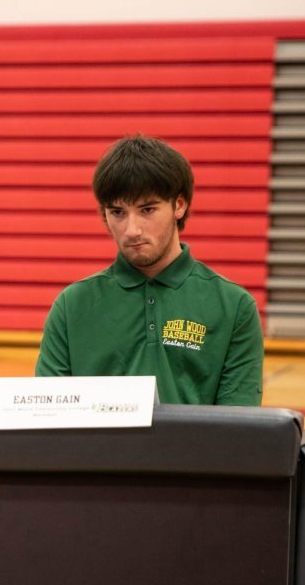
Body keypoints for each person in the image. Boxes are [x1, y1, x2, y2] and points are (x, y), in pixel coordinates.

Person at [35, 134, 263, 406]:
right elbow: (48, 425)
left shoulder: (234, 307)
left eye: (147, 209)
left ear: (179, 205)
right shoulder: (71, 305)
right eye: (118, 212)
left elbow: (239, 430)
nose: (132, 230)